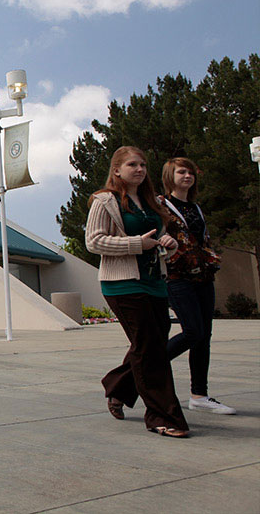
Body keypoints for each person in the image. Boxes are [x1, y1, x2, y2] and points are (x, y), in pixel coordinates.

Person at [86, 146, 188, 438]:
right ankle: (162, 416)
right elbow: (94, 242)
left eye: (143, 164)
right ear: (117, 170)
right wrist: (135, 244)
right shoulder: (104, 201)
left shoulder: (152, 202)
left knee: (152, 343)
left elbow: (156, 237)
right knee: (149, 348)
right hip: (123, 284)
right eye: (132, 164)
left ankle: (118, 386)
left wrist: (168, 243)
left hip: (154, 281)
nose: (140, 169)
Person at [159, 158, 235, 414]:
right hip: (177, 277)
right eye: (181, 172)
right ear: (170, 175)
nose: (187, 176)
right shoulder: (160, 205)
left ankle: (199, 395)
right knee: (193, 332)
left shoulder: (195, 207)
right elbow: (154, 233)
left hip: (203, 276)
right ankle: (145, 366)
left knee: (204, 337)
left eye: (190, 172)